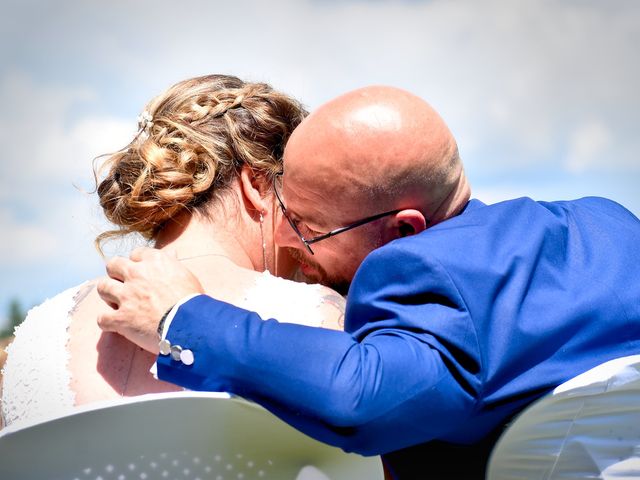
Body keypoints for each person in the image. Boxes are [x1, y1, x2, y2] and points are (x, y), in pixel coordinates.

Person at [96, 85, 640, 479]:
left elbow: (361, 394)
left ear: (403, 231)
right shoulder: (608, 224)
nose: (285, 239)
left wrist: (181, 317)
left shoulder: (418, 270)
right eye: (284, 208)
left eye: (308, 228)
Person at [0, 74, 346, 429]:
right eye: (297, 202)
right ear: (256, 184)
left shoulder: (36, 336)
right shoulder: (313, 315)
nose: (305, 232)